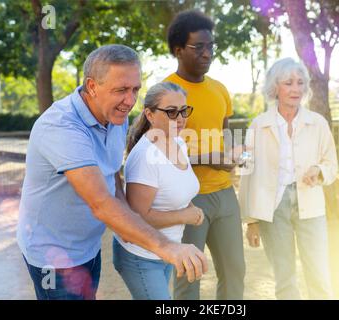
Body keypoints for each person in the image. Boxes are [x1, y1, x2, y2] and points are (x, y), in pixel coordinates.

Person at [17, 45, 207, 300]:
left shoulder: (116, 116)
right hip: (55, 256)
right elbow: (101, 203)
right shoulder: (62, 127)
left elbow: (112, 176)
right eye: (120, 90)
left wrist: (131, 221)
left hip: (89, 247)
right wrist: (166, 247)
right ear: (92, 86)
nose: (130, 101)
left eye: (135, 90)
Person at [239, 57, 338, 300]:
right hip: (273, 206)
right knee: (284, 278)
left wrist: (320, 171)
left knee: (319, 274)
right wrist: (251, 221)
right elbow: (247, 173)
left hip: (310, 204)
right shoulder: (259, 125)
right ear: (275, 87)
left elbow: (331, 164)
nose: (296, 89)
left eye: (300, 83)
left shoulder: (318, 123)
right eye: (288, 83)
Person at [165, 10, 245, 300]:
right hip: (187, 198)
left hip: (225, 195)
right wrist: (206, 159)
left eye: (211, 46)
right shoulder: (166, 92)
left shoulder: (220, 91)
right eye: (199, 47)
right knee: (189, 276)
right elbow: (159, 151)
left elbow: (223, 140)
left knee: (235, 271)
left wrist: (234, 155)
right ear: (178, 50)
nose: (207, 53)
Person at [113, 82, 204, 300]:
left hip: (168, 250)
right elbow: (137, 217)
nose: (180, 118)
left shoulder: (179, 142)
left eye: (184, 110)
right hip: (141, 256)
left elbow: (177, 187)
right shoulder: (145, 156)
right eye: (171, 112)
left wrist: (190, 207)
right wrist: (186, 215)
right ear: (150, 114)